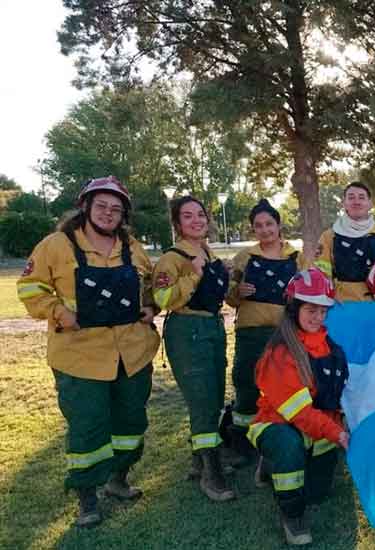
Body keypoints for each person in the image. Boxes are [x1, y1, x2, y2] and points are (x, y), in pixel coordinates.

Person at [17, 176, 159, 527]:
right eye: (102, 206)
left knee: (131, 423)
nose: (109, 213)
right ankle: (87, 497)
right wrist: (60, 313)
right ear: (86, 207)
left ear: (123, 214)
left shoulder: (134, 248)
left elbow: (152, 286)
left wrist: (151, 307)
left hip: (132, 354)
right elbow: (31, 288)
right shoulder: (55, 245)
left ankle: (118, 480)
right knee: (87, 428)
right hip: (79, 357)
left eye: (116, 208)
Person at [250, 267, 350, 546]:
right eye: (311, 311)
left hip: (318, 428)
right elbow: (300, 413)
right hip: (278, 425)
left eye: (323, 311)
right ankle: (291, 515)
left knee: (318, 493)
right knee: (288, 446)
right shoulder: (281, 352)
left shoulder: (329, 345)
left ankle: (272, 466)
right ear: (294, 309)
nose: (318, 318)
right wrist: (338, 434)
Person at [152, 195, 234, 502]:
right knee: (201, 402)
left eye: (200, 214)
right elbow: (162, 299)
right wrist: (194, 274)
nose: (197, 220)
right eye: (188, 216)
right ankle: (212, 474)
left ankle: (200, 461)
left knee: (212, 399)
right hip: (188, 332)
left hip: (212, 328)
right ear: (177, 223)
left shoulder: (207, 251)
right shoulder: (172, 258)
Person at [224, 199, 307, 457]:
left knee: (289, 385)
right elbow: (228, 296)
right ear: (253, 229)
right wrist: (238, 292)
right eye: (258, 225)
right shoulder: (244, 257)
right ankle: (242, 444)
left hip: (286, 334)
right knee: (247, 385)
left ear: (279, 225)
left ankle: (287, 437)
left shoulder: (296, 257)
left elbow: (307, 292)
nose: (265, 230)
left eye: (269, 223)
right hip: (251, 333)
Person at [314, 182, 375, 302]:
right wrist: (328, 298)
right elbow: (320, 273)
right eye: (351, 197)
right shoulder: (328, 237)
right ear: (344, 203)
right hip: (341, 308)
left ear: (370, 204)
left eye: (361, 197)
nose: (356, 202)